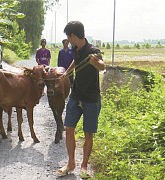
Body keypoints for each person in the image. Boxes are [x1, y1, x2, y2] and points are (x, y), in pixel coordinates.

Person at [57, 21, 105, 178]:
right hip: (76, 95)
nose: (68, 40)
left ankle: (84, 165)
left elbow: (102, 66)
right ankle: (71, 163)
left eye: (68, 36)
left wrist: (94, 61)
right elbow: (75, 62)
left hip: (91, 98)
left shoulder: (93, 51)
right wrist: (67, 73)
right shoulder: (74, 49)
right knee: (69, 128)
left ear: (73, 35)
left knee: (88, 133)